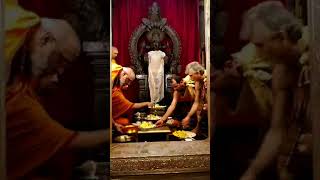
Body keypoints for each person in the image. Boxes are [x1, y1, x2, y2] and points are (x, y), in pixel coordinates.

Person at [5, 2, 109, 179]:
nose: (58, 74)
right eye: (59, 62)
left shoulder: (21, 79)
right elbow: (64, 139)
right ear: (45, 40)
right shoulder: (17, 92)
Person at [237, 2, 311, 180]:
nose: (257, 53)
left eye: (261, 45)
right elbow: (277, 131)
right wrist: (252, 173)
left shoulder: (314, 54)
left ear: (282, 36)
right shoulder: (281, 71)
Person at [112, 66, 153, 133]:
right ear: (123, 74)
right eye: (128, 80)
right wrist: (147, 103)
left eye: (130, 82)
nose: (128, 84)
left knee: (126, 121)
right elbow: (131, 105)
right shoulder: (116, 90)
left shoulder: (117, 88)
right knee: (125, 122)